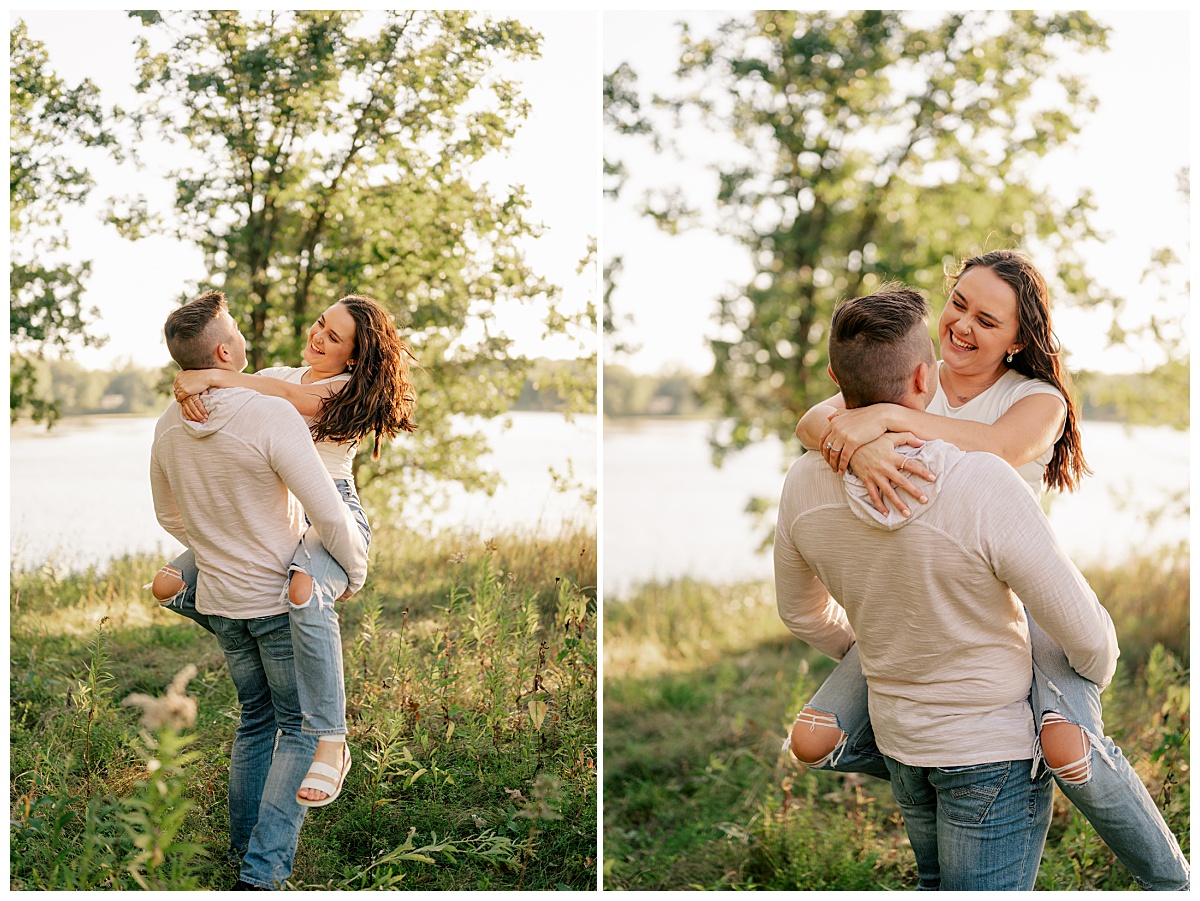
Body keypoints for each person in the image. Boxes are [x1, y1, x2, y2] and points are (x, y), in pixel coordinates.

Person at [788, 251, 1189, 889]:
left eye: (988, 319)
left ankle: (1170, 879)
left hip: (1023, 595)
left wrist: (881, 421)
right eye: (959, 304)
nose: (964, 326)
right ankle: (948, 767)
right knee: (813, 738)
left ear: (1018, 339)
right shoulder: (920, 373)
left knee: (1064, 744)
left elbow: (999, 451)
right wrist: (856, 451)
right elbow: (814, 420)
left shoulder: (1038, 399)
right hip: (928, 596)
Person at [151, 294, 417, 808]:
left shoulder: (343, 391)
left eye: (334, 337)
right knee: (168, 584)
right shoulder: (277, 373)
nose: (318, 336)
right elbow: (252, 399)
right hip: (278, 517)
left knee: (301, 587)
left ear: (355, 357)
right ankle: (261, 621)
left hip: (330, 513)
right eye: (321, 324)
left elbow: (276, 398)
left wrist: (213, 377)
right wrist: (193, 393)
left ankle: (332, 738)